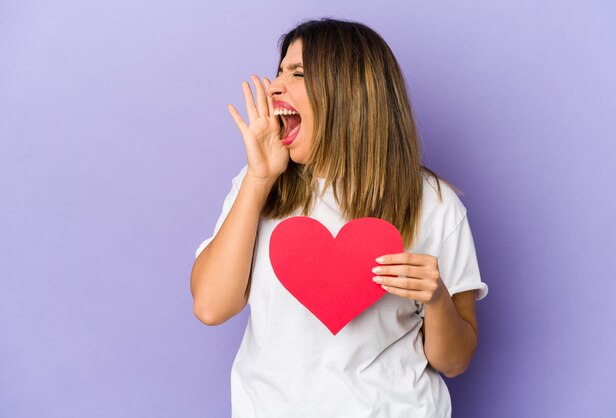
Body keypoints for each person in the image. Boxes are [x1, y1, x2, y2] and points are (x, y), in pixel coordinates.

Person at [190, 17, 488, 417]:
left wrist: (436, 301)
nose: (275, 85)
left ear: (349, 92)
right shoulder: (259, 185)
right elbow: (211, 306)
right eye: (279, 71)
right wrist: (259, 179)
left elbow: (455, 361)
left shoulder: (434, 203)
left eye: (297, 73)